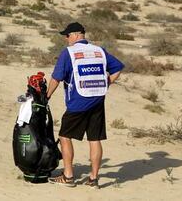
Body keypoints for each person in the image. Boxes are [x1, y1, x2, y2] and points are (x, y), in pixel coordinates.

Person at [47, 22, 124, 188]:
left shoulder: (69, 52)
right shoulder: (99, 51)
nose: (66, 39)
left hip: (78, 102)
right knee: (95, 139)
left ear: (75, 35)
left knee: (64, 136)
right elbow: (118, 68)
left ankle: (68, 176)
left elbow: (56, 78)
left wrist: (46, 96)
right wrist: (105, 84)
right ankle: (93, 179)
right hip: (98, 101)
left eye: (67, 36)